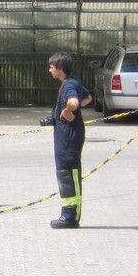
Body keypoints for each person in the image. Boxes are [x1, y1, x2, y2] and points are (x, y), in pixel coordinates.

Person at [43, 51, 92, 229]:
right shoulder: (71, 82)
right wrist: (55, 117)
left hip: (69, 138)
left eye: (51, 67)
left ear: (60, 69)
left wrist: (68, 111)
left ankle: (70, 217)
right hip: (65, 137)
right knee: (64, 173)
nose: (49, 70)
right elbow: (88, 98)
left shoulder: (69, 85)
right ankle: (67, 213)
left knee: (68, 174)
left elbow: (75, 101)